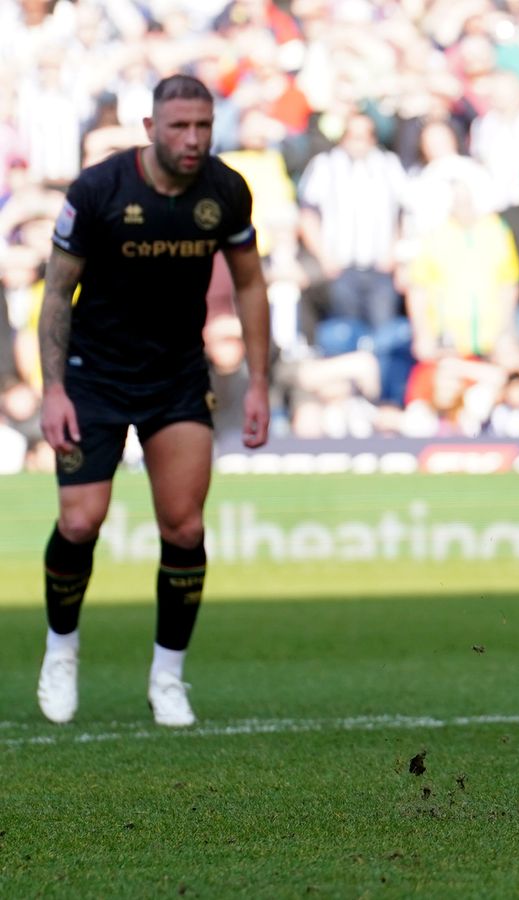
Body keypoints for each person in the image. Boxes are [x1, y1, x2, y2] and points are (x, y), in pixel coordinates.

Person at [35, 75, 271, 728]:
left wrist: (258, 380)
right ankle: (61, 650)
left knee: (185, 527)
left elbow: (251, 285)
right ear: (150, 129)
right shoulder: (99, 190)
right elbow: (57, 293)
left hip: (176, 377)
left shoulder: (226, 190)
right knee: (80, 523)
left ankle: (167, 676)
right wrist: (53, 390)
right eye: (179, 127)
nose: (192, 139)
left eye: (203, 126)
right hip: (93, 377)